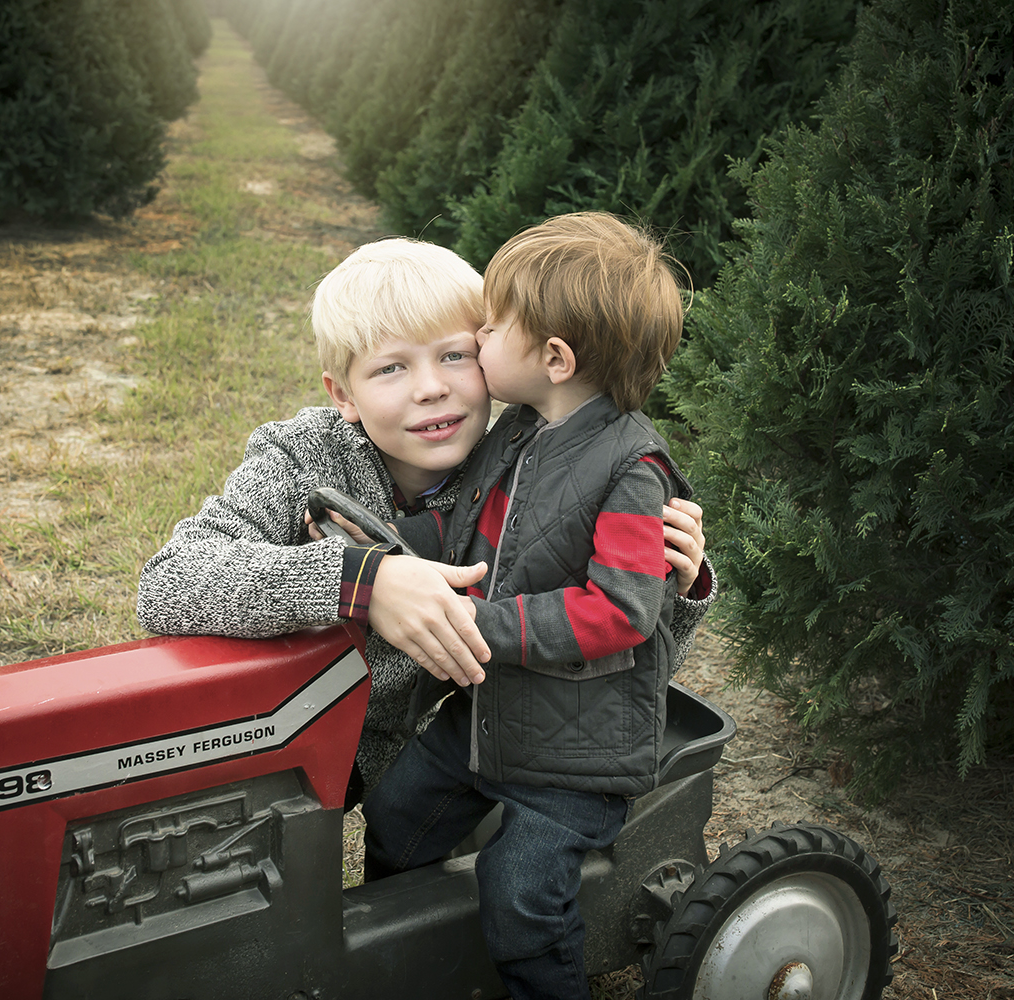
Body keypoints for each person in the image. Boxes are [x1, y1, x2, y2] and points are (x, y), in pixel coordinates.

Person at [136, 236, 711, 807]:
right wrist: (364, 583)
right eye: (390, 367)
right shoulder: (305, 456)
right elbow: (169, 584)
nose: (431, 388)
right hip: (275, 742)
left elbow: (599, 673)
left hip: (428, 758)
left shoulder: (523, 472)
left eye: (455, 355)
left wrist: (672, 594)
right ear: (344, 394)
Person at [357, 213, 714, 1000]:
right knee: (396, 812)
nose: (477, 336)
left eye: (491, 326)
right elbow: (460, 528)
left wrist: (482, 623)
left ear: (554, 358)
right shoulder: (518, 430)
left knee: (521, 892)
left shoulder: (632, 470)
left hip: (576, 752)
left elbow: (621, 611)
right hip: (492, 712)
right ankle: (406, 961)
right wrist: (383, 545)